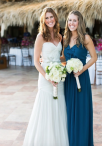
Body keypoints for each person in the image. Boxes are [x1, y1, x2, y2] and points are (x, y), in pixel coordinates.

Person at [23, 7, 69, 146]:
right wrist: (47, 76)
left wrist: (66, 66)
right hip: (45, 77)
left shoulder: (60, 36)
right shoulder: (40, 37)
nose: (50, 20)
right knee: (46, 108)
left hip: (59, 77)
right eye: (47, 18)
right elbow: (36, 61)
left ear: (55, 18)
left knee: (59, 107)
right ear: (44, 20)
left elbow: (61, 57)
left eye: (51, 17)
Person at [61, 10, 97, 146]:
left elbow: (94, 57)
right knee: (69, 112)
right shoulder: (65, 38)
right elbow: (65, 57)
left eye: (74, 20)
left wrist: (82, 69)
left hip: (81, 80)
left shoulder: (85, 38)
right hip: (69, 81)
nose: (71, 23)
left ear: (79, 22)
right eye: (69, 20)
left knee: (81, 113)